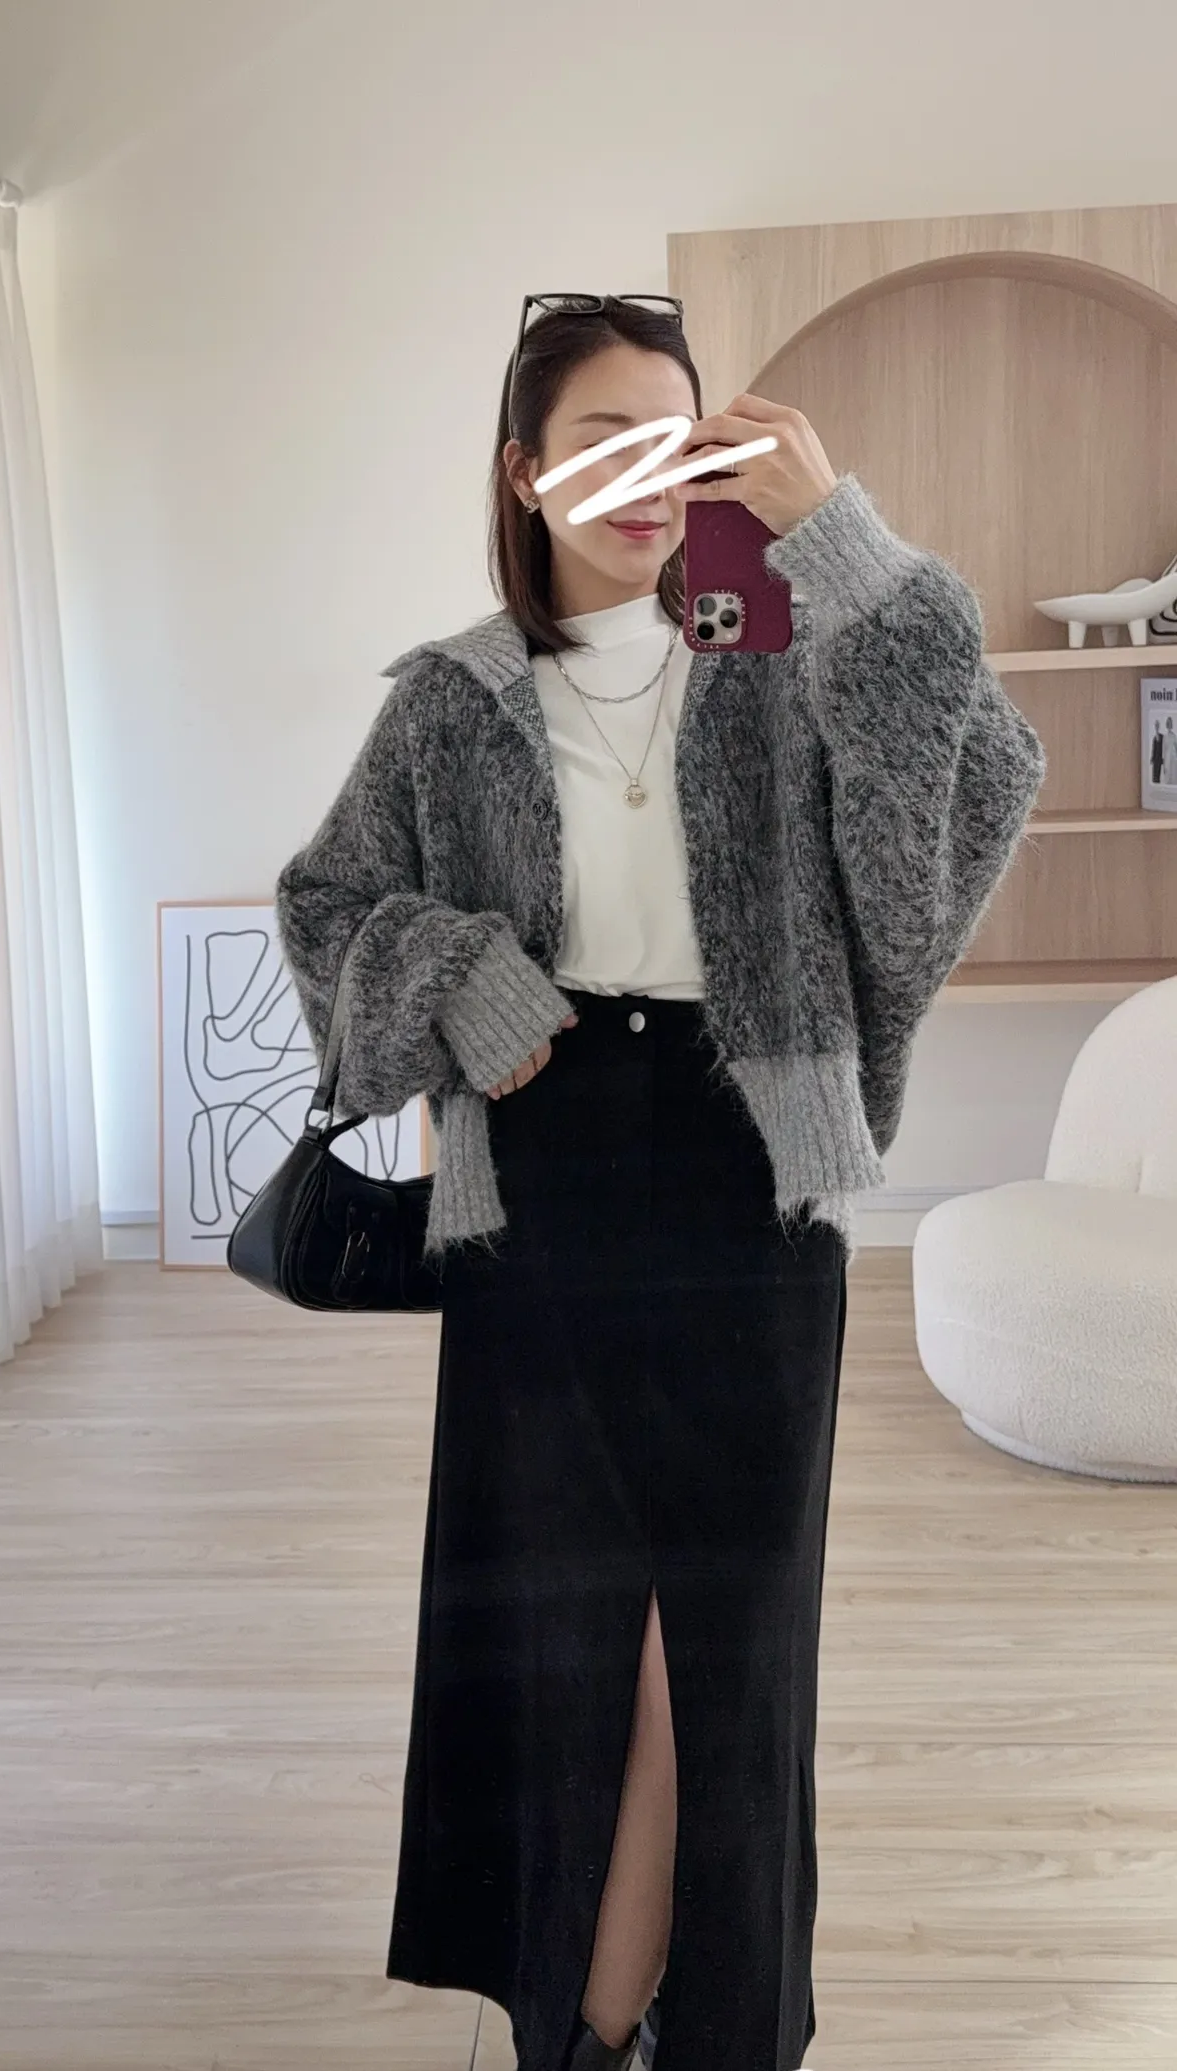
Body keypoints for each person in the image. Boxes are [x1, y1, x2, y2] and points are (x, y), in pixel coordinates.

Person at [274, 295, 1048, 2071]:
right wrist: (458, 973)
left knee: (728, 1651)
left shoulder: (782, 655)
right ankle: (585, 2019)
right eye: (602, 438)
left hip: (747, 1186)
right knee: (572, 1637)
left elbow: (980, 782)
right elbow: (324, 904)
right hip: (537, 1189)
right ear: (524, 472)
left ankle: (673, 2029)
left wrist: (840, 542)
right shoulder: (453, 698)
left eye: (676, 438)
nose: (644, 475)